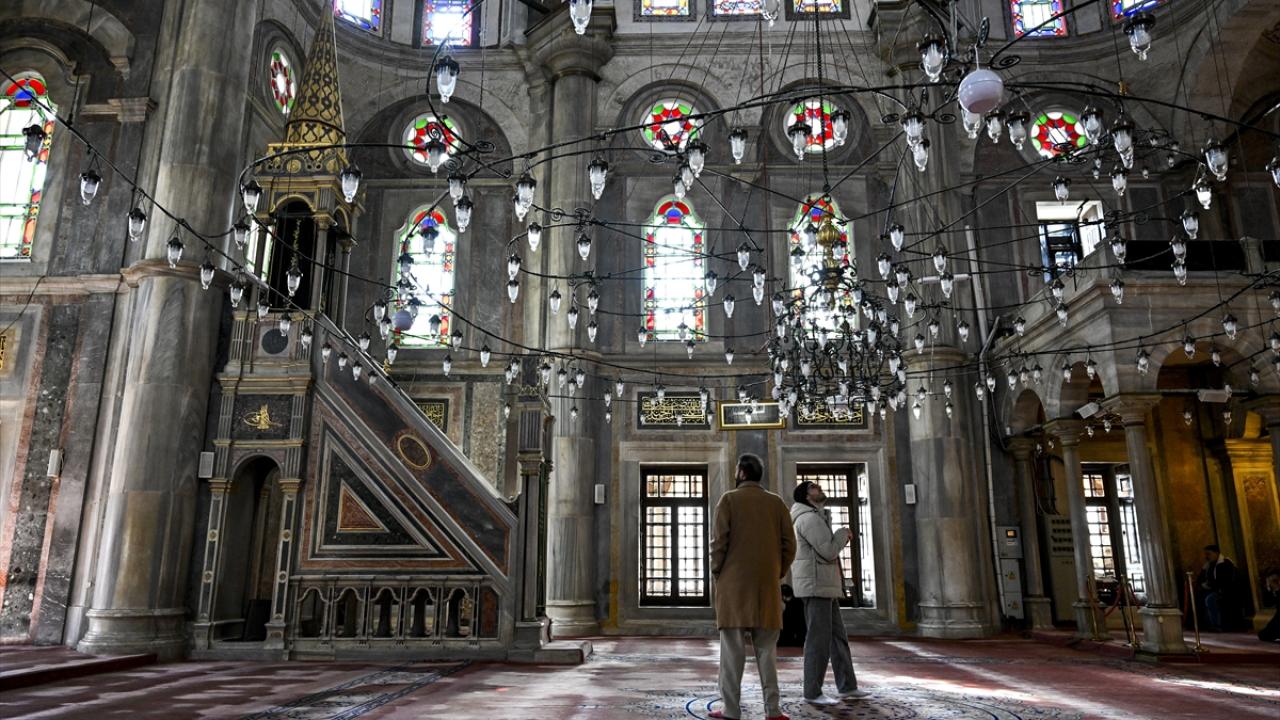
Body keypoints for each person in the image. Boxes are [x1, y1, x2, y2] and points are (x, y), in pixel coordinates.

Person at [708, 454, 797, 720]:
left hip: (733, 589)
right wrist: (776, 573)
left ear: (742, 473)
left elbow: (718, 543)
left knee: (732, 656)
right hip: (767, 589)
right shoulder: (776, 503)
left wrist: (718, 572)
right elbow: (789, 546)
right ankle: (773, 710)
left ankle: (731, 710)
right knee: (767, 653)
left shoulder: (729, 500)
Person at [790, 480, 870, 705]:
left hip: (823, 584)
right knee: (818, 639)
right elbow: (828, 551)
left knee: (837, 638)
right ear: (807, 495)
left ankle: (847, 687)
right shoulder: (809, 519)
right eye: (814, 487)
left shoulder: (814, 517)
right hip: (817, 586)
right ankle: (812, 692)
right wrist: (843, 533)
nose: (820, 489)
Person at [1198, 544, 1242, 632]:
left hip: (1226, 592)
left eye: (1208, 554)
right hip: (1213, 590)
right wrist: (1203, 570)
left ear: (1216, 553)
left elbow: (1224, 581)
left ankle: (1217, 625)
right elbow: (1201, 579)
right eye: (1206, 554)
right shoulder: (1209, 565)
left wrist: (1209, 585)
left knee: (1210, 599)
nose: (1206, 557)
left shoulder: (1226, 563)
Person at [1258, 573, 1280, 643]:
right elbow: (1267, 604)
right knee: (1263, 634)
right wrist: (1269, 590)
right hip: (1278, 617)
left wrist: (1277, 589)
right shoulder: (1273, 591)